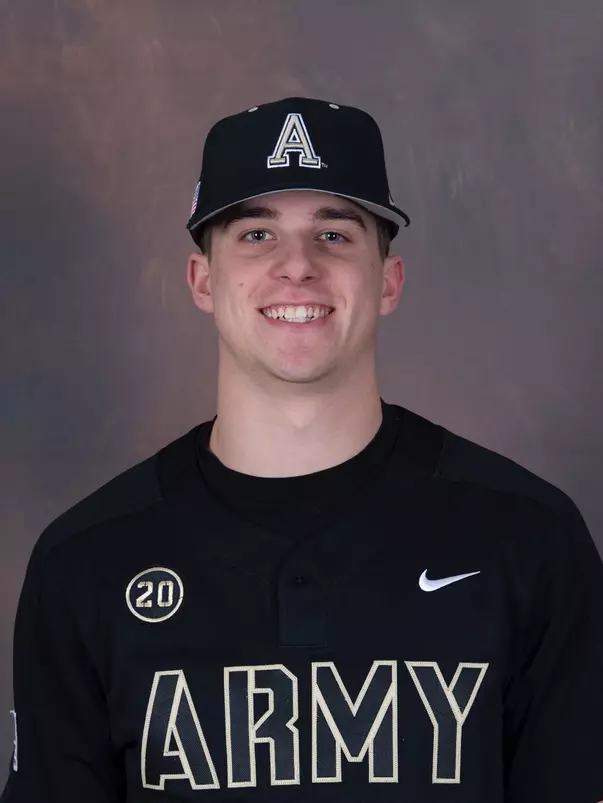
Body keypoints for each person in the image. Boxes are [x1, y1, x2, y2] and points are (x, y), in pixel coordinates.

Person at [2, 96, 602, 803]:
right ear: (202, 280)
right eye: (255, 234)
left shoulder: (527, 536)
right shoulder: (85, 561)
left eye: (335, 235)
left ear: (388, 280)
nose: (296, 266)